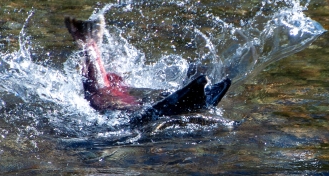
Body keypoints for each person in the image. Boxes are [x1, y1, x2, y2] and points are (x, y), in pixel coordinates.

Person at [65, 16, 231, 125]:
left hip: (129, 106)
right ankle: (88, 41)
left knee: (103, 94)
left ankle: (88, 40)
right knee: (101, 94)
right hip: (128, 105)